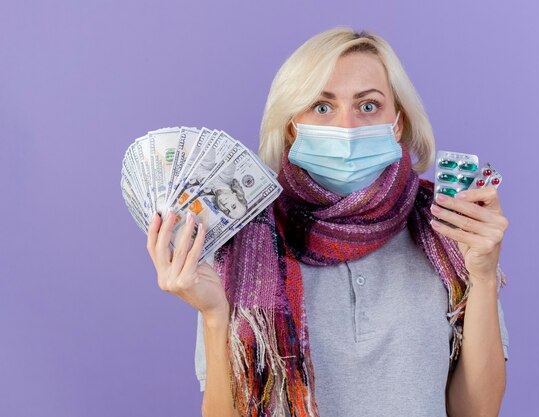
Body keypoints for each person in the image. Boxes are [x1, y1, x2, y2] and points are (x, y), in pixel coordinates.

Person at [146, 27, 510, 417]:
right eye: (322, 107)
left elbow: (477, 412)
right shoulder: (243, 247)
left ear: (398, 123)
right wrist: (215, 316)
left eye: (368, 106)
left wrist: (484, 276)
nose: (347, 128)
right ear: (292, 126)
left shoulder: (447, 233)